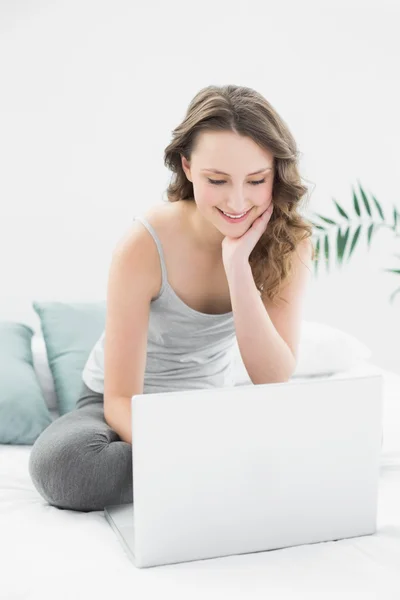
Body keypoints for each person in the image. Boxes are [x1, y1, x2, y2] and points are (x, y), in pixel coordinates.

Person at [29, 84, 315, 512]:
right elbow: (120, 398)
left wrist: (238, 267)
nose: (238, 201)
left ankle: (212, 465)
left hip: (207, 407)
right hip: (123, 412)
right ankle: (220, 468)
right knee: (68, 468)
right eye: (217, 180)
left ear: (277, 171)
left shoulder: (291, 242)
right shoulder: (144, 242)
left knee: (347, 440)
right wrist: (184, 451)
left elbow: (273, 378)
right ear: (186, 167)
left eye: (257, 180)